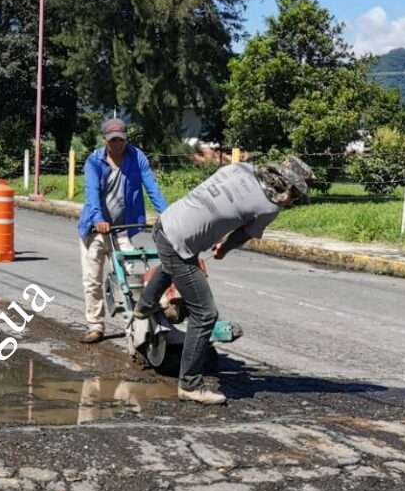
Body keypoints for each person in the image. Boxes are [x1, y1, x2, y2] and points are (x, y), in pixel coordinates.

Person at [134, 157, 313, 405]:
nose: (294, 200)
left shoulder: (240, 168)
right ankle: (190, 384)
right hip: (179, 244)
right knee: (205, 313)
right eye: (295, 194)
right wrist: (224, 248)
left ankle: (144, 306)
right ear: (288, 188)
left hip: (166, 222)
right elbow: (243, 233)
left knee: (170, 264)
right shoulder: (269, 206)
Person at [77, 118, 168, 343]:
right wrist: (98, 219)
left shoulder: (137, 157)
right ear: (105, 140)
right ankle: (95, 325)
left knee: (131, 276)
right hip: (95, 229)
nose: (117, 144)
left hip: (122, 228)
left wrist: (167, 214)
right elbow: (92, 193)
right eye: (113, 140)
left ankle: (138, 322)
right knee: (92, 280)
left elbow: (152, 187)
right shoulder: (94, 162)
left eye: (121, 140)